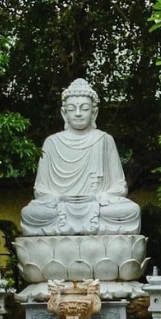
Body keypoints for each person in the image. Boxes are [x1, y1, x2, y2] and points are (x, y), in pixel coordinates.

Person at [20, 79, 140, 236]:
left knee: (131, 211)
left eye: (84, 108)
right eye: (72, 109)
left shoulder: (104, 140)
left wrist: (99, 197)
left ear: (94, 113)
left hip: (98, 206)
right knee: (30, 214)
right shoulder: (52, 142)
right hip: (60, 207)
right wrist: (60, 198)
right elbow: (40, 189)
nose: (78, 113)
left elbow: (119, 186)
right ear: (64, 113)